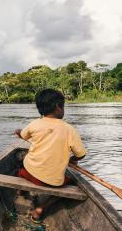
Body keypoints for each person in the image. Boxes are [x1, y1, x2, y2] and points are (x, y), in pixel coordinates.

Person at [14, 89, 87, 221]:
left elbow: (23, 135)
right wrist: (73, 159)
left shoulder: (34, 124)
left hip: (29, 174)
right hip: (53, 182)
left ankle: (21, 190)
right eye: (63, 106)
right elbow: (81, 154)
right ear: (58, 107)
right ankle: (40, 208)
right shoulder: (70, 129)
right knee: (71, 182)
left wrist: (18, 132)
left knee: (23, 160)